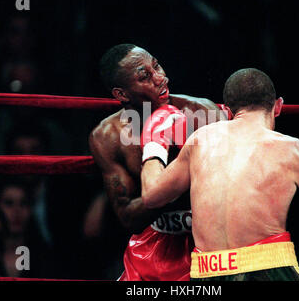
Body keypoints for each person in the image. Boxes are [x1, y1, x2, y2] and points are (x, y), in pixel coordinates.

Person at [140, 68, 299, 281]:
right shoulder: (291, 148)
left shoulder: (201, 139)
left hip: (206, 274)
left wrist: (154, 145)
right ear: (278, 106)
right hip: (269, 269)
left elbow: (151, 196)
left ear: (228, 111)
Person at [89, 43, 228, 281]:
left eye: (157, 66)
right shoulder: (109, 137)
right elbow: (127, 217)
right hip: (153, 246)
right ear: (121, 94)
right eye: (145, 76)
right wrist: (172, 185)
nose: (160, 78)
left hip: (211, 241)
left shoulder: (201, 113)